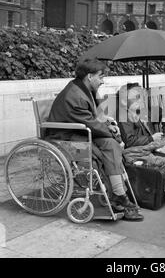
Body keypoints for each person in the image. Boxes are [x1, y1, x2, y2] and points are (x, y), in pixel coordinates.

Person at [46, 58, 144, 221]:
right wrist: (112, 132)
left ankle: (118, 193)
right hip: (64, 137)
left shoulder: (84, 87)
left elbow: (95, 116)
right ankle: (118, 195)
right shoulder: (75, 95)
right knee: (105, 151)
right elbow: (90, 123)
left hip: (80, 132)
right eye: (100, 77)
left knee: (112, 145)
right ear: (90, 76)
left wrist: (108, 124)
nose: (102, 81)